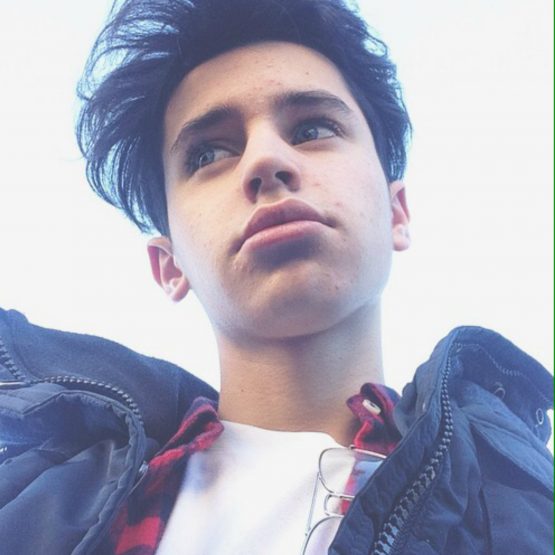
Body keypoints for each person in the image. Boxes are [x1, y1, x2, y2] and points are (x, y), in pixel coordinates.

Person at [0, 0, 552, 553]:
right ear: (169, 265)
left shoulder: (523, 504)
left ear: (397, 213)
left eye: (312, 128)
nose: (265, 159)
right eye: (207, 154)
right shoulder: (31, 505)